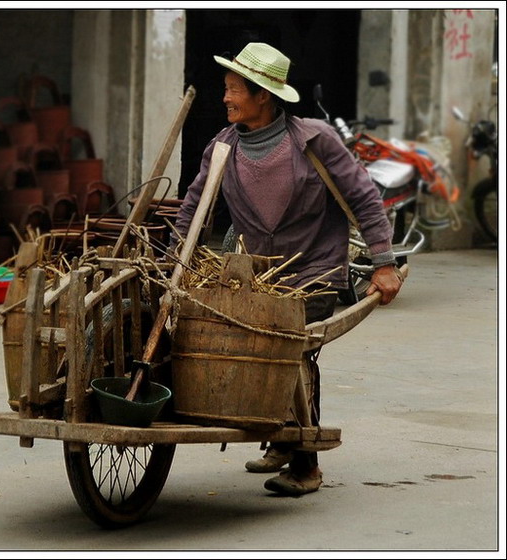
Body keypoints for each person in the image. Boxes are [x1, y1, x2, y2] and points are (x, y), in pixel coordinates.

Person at [170, 42, 403, 496]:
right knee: (256, 349)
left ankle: (305, 463)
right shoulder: (223, 147)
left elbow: (364, 198)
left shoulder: (313, 139)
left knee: (292, 350)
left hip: (315, 268)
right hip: (260, 275)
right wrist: (173, 261)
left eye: (235, 89)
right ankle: (280, 439)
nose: (226, 98)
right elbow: (194, 208)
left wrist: (384, 262)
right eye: (226, 88)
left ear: (263, 95)